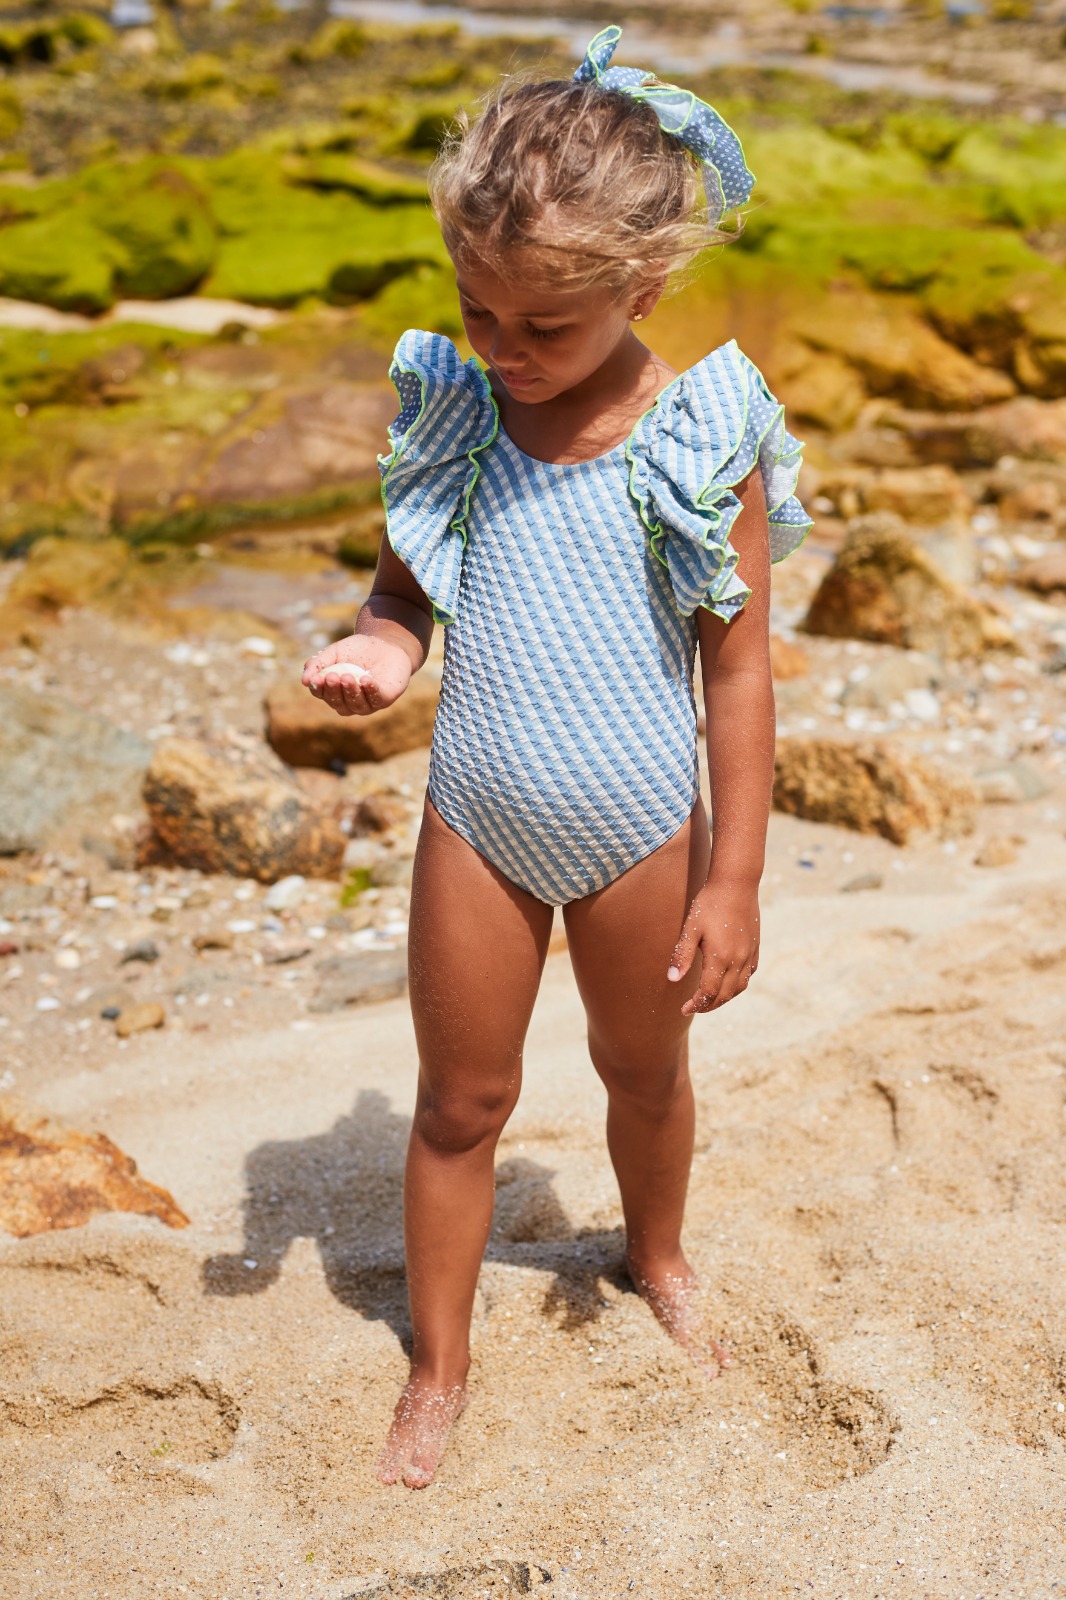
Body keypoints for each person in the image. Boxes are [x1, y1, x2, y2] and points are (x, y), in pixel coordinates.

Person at [302, 24, 812, 1490]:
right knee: (461, 1102)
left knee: (640, 1073)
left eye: (542, 328)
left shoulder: (699, 441)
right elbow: (405, 590)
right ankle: (439, 1365)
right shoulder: (459, 421)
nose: (503, 352)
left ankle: (654, 1255)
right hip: (477, 817)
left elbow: (735, 674)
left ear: (639, 292)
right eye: (479, 312)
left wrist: (737, 880)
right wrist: (382, 649)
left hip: (644, 827)